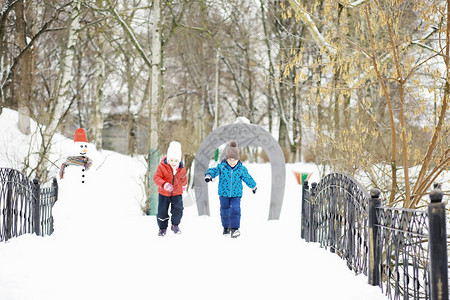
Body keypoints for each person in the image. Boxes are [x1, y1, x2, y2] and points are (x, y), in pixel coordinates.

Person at [204, 140, 257, 238]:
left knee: (235, 209)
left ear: (238, 159)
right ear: (226, 159)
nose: (232, 162)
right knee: (224, 211)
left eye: (234, 160)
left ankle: (235, 229)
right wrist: (209, 175)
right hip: (223, 194)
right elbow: (213, 170)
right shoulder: (222, 167)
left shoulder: (241, 169)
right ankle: (226, 227)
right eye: (230, 160)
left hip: (236, 195)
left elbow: (247, 178)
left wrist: (253, 186)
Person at [153, 141, 187, 236]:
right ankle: (162, 228)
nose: (173, 163)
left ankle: (175, 225)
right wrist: (164, 184)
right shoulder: (162, 167)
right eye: (171, 160)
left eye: (176, 161)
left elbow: (183, 178)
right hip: (164, 193)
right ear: (168, 159)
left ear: (179, 160)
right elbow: (156, 178)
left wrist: (184, 185)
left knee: (178, 210)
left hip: (177, 193)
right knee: (162, 211)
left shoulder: (181, 168)